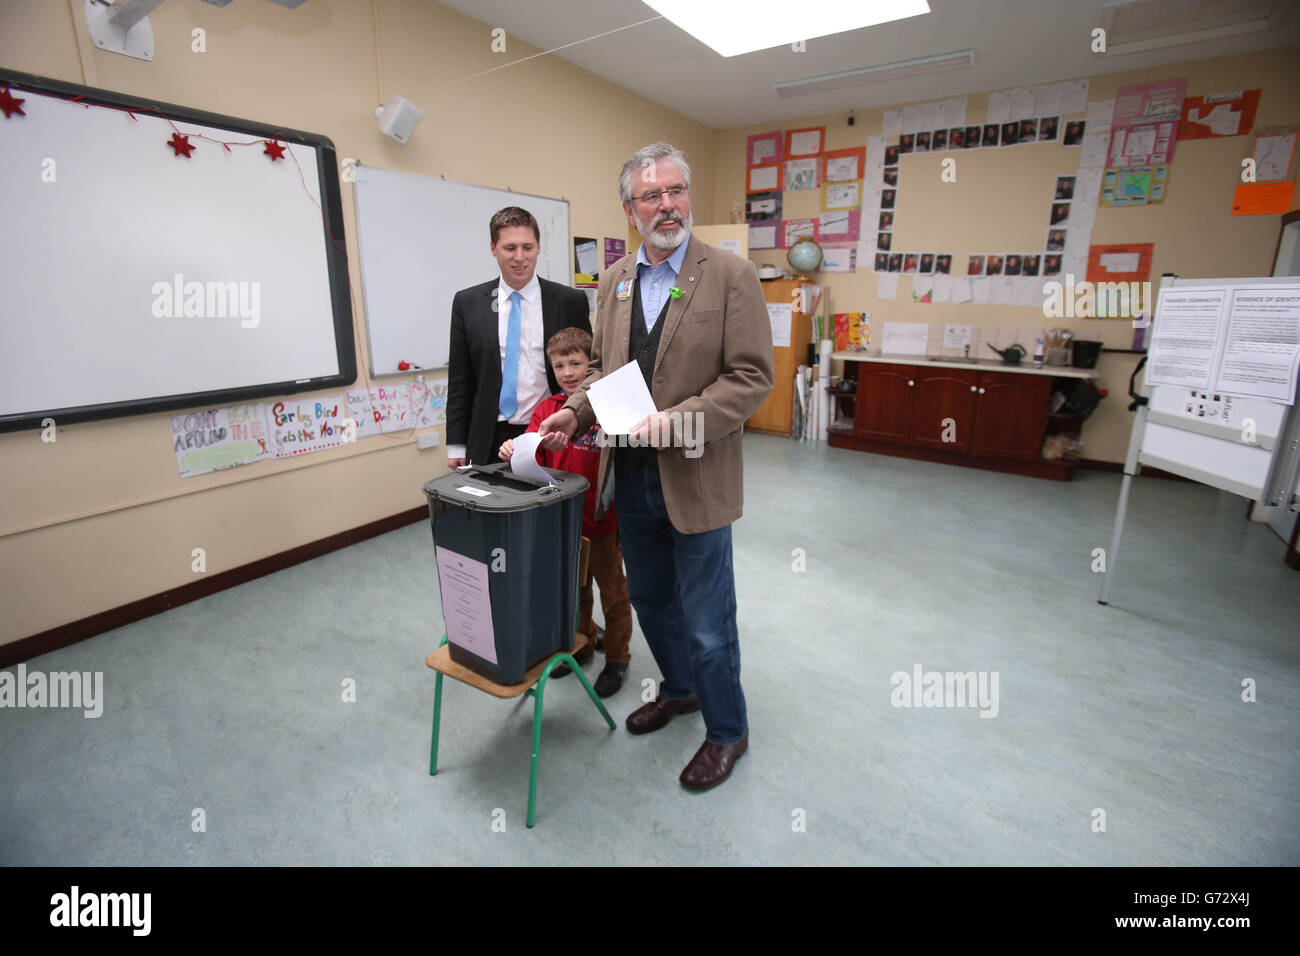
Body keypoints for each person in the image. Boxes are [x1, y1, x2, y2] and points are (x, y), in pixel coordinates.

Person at [537, 142, 774, 791]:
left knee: (706, 617)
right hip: (631, 476)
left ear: (687, 196)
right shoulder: (612, 283)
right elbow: (611, 374)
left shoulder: (730, 275)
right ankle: (680, 690)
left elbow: (752, 378)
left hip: (696, 474)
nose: (667, 205)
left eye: (676, 191)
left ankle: (728, 730)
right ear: (629, 209)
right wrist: (575, 413)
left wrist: (678, 421)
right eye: (651, 195)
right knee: (650, 599)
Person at [499, 327, 633, 696]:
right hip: (564, 525)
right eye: (560, 365)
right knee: (576, 592)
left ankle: (618, 658)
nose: (568, 372)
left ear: (591, 366)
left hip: (604, 522)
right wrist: (514, 450)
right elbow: (529, 452)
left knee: (614, 594)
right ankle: (586, 641)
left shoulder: (606, 412)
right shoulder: (546, 410)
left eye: (576, 363)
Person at [445, 207, 591, 468]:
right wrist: (456, 444)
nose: (519, 257)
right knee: (492, 507)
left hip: (549, 432)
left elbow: (589, 370)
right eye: (510, 248)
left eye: (527, 247)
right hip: (489, 437)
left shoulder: (569, 302)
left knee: (549, 507)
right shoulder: (468, 303)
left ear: (538, 247)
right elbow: (460, 381)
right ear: (493, 248)